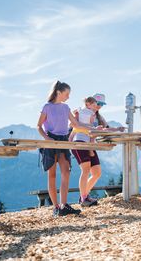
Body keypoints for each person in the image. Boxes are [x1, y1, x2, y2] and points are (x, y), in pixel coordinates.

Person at [37, 80, 83, 217]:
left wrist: (93, 129)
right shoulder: (47, 107)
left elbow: (76, 124)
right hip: (51, 140)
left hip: (63, 140)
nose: (68, 97)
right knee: (52, 175)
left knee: (66, 171)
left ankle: (64, 205)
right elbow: (38, 126)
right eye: (66, 94)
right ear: (58, 92)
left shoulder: (66, 108)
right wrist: (47, 138)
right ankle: (56, 207)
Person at [70, 96, 102, 207]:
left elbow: (93, 129)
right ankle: (84, 198)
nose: (97, 106)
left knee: (97, 172)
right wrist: (92, 127)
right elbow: (73, 125)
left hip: (89, 143)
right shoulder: (81, 112)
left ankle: (84, 195)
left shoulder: (94, 115)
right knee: (86, 170)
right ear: (88, 104)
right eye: (95, 104)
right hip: (79, 141)